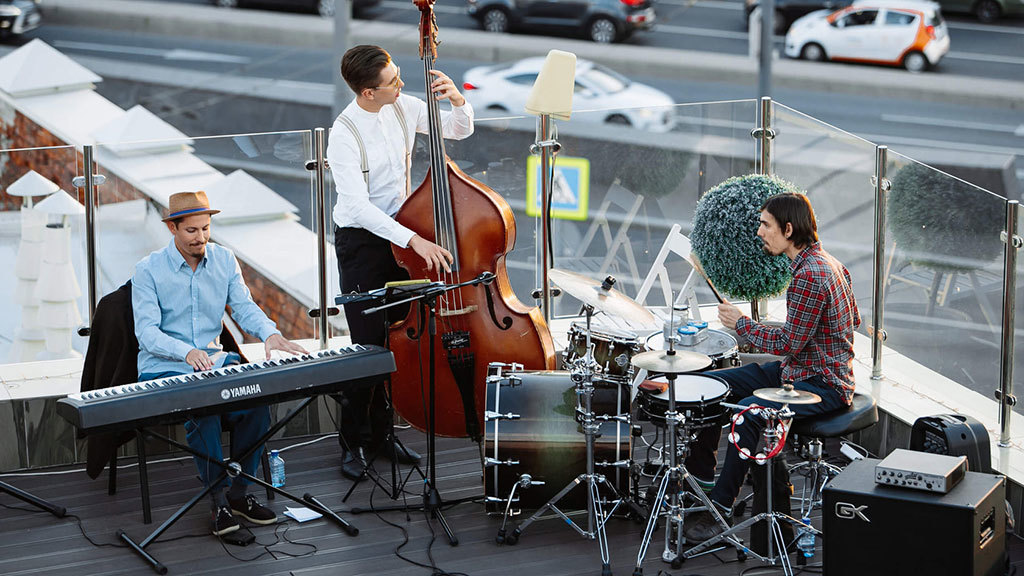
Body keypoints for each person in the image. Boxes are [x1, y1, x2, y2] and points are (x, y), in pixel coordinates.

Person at [326, 45, 474, 481]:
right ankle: (351, 441)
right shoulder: (344, 134)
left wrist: (457, 99)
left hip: (404, 234)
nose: (402, 84)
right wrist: (416, 241)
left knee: (397, 341)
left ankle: (381, 434)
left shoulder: (403, 106)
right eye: (393, 81)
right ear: (368, 92)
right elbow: (355, 207)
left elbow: (459, 131)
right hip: (363, 244)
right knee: (368, 345)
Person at [682, 192, 860, 543]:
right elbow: (849, 320)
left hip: (821, 385)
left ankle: (720, 508)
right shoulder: (831, 264)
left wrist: (742, 324)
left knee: (748, 413)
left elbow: (789, 344)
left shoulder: (810, 275)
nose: (759, 231)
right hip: (798, 372)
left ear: (789, 229)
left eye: (765, 224)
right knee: (711, 385)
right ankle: (702, 479)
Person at [133, 191, 307, 537]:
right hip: (164, 365)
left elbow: (243, 307)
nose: (201, 237)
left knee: (256, 405)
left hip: (212, 363)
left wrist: (269, 334)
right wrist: (185, 352)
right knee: (205, 407)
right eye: (191, 231)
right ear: (172, 228)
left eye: (206, 228)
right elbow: (146, 333)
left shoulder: (224, 260)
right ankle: (217, 501)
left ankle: (239, 493)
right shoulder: (148, 270)